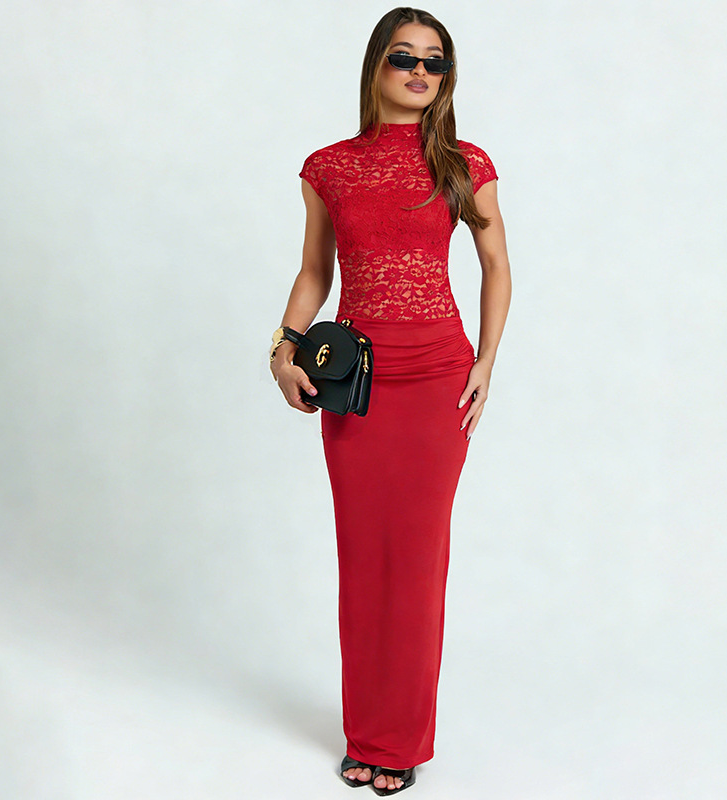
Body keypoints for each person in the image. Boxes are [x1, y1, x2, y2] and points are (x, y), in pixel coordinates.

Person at [269, 7, 511, 794]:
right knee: (363, 557)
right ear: (376, 64)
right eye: (404, 57)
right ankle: (365, 734)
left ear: (447, 77)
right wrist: (282, 348)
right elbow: (316, 272)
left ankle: (398, 741)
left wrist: (487, 361)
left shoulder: (464, 163)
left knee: (416, 560)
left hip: (439, 377)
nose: (420, 72)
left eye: (435, 62)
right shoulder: (329, 168)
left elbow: (497, 265)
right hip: (359, 384)